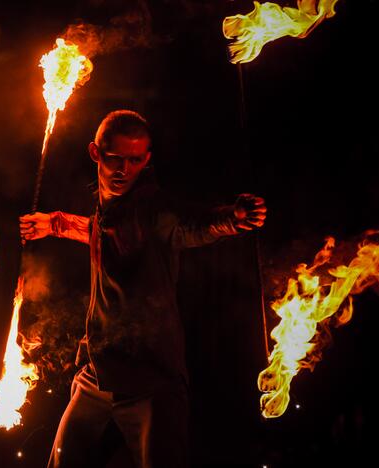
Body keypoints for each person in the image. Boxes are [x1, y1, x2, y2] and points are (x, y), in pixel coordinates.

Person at [20, 110, 266, 468]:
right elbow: (103, 232)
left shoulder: (155, 211)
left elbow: (193, 224)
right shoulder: (112, 208)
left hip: (153, 382)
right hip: (98, 374)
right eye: (114, 158)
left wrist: (234, 218)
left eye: (134, 160)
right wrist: (56, 223)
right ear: (95, 153)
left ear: (146, 159)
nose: (123, 169)